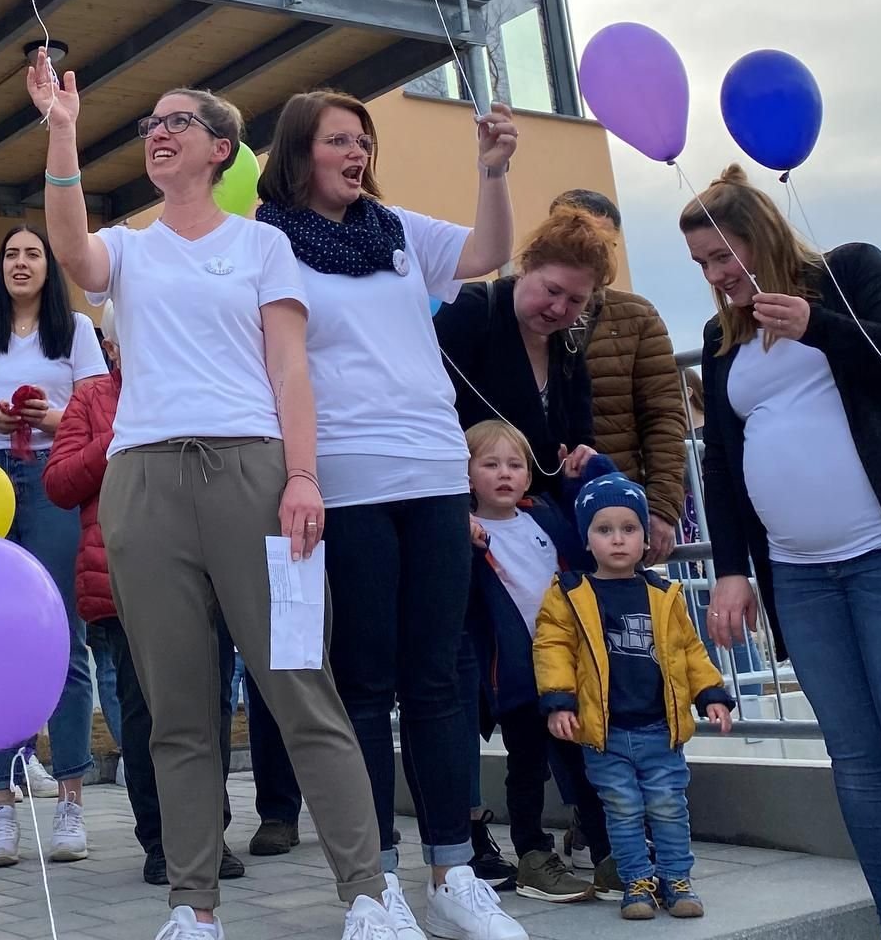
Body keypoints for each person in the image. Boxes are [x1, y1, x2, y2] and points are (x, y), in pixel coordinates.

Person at [26, 50, 419, 940]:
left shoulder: (262, 244)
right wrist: (62, 132)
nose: (158, 134)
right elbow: (71, 249)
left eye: (178, 122)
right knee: (177, 712)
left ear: (220, 148)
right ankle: (193, 907)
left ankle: (368, 896)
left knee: (301, 689)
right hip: (144, 486)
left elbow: (291, 370)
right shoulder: (128, 248)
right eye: (150, 124)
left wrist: (304, 476)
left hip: (254, 478)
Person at [681, 166, 881, 940]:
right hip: (800, 577)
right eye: (702, 264)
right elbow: (722, 462)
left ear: (762, 233)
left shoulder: (851, 271)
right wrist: (730, 570)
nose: (717, 275)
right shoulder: (721, 338)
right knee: (857, 762)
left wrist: (817, 325)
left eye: (724, 254)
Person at [252, 90, 526, 940]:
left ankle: (453, 871)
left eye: (363, 140)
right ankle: (375, 887)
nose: (356, 153)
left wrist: (492, 171)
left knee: (438, 677)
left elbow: (487, 252)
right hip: (344, 482)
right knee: (365, 685)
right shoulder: (266, 244)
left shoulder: (398, 231)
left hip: (435, 471)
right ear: (299, 153)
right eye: (338, 140)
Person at [44, 307, 248, 888]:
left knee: (210, 707)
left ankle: (209, 835)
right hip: (126, 579)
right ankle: (161, 842)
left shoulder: (205, 386)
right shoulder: (92, 400)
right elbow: (59, 483)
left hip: (208, 574)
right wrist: (122, 436)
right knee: (146, 713)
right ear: (111, 347)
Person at [0, 225, 108, 865]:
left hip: (55, 476)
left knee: (63, 635)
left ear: (49, 266)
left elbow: (96, 415)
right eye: (11, 253)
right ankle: (1, 804)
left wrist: (45, 417)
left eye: (33, 253)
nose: (21, 262)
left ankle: (69, 801)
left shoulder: (78, 330)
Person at [534, 474, 734, 920]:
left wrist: (711, 693)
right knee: (622, 810)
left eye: (629, 528)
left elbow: (690, 650)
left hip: (660, 730)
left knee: (668, 806)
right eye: (604, 529)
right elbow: (552, 648)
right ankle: (636, 883)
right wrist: (560, 700)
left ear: (645, 538)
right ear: (586, 539)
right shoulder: (570, 594)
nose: (618, 539)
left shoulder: (664, 595)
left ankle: (677, 879)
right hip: (605, 733)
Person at [460, 421, 612, 902]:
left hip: (569, 671)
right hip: (517, 676)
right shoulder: (466, 533)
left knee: (587, 764)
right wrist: (456, 527)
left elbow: (596, 524)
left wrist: (586, 472)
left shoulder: (545, 516)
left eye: (515, 464)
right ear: (466, 475)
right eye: (490, 464)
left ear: (529, 475)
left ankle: (608, 854)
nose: (505, 474)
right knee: (527, 767)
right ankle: (532, 856)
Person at [547, 191, 689, 562]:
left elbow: (663, 416)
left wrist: (661, 507)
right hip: (537, 507)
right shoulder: (522, 309)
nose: (588, 251)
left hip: (616, 511)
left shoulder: (637, 317)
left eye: (601, 242)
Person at [433, 211, 609, 498]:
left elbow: (581, 434)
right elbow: (430, 415)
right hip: (470, 504)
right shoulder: (468, 311)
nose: (559, 308)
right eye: (552, 290)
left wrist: (581, 457)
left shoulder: (568, 340)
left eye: (576, 300)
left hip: (542, 505)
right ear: (526, 266)